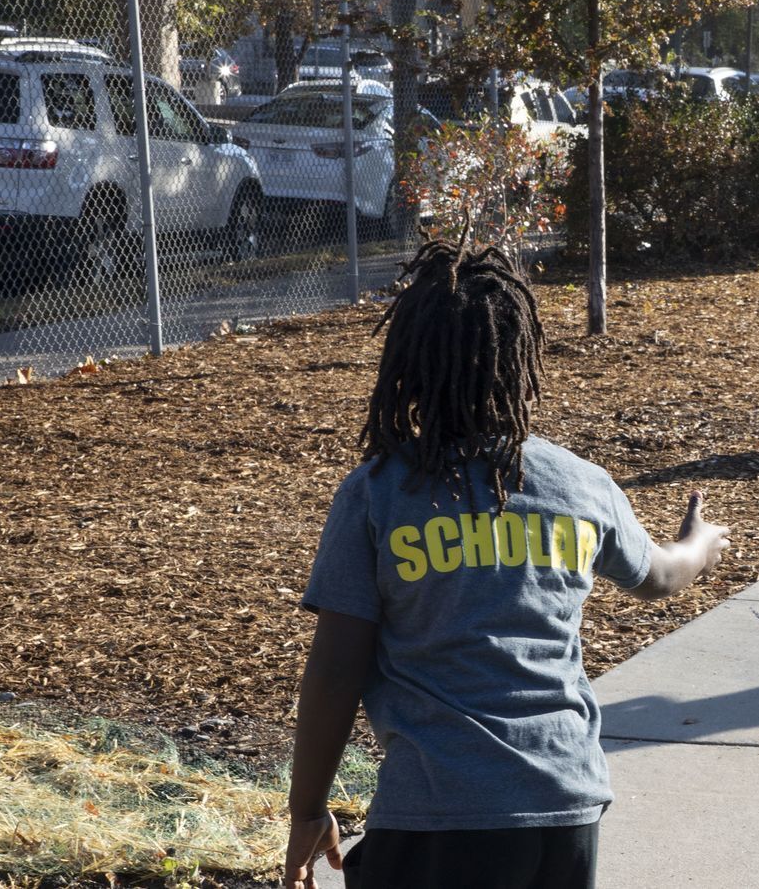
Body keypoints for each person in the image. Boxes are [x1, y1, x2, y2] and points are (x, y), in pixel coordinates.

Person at [281, 238, 731, 889]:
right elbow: (659, 576)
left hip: (438, 818)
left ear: (408, 365)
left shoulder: (378, 495)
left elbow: (333, 671)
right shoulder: (578, 485)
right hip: (566, 814)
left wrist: (308, 808)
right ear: (520, 364)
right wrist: (701, 544)